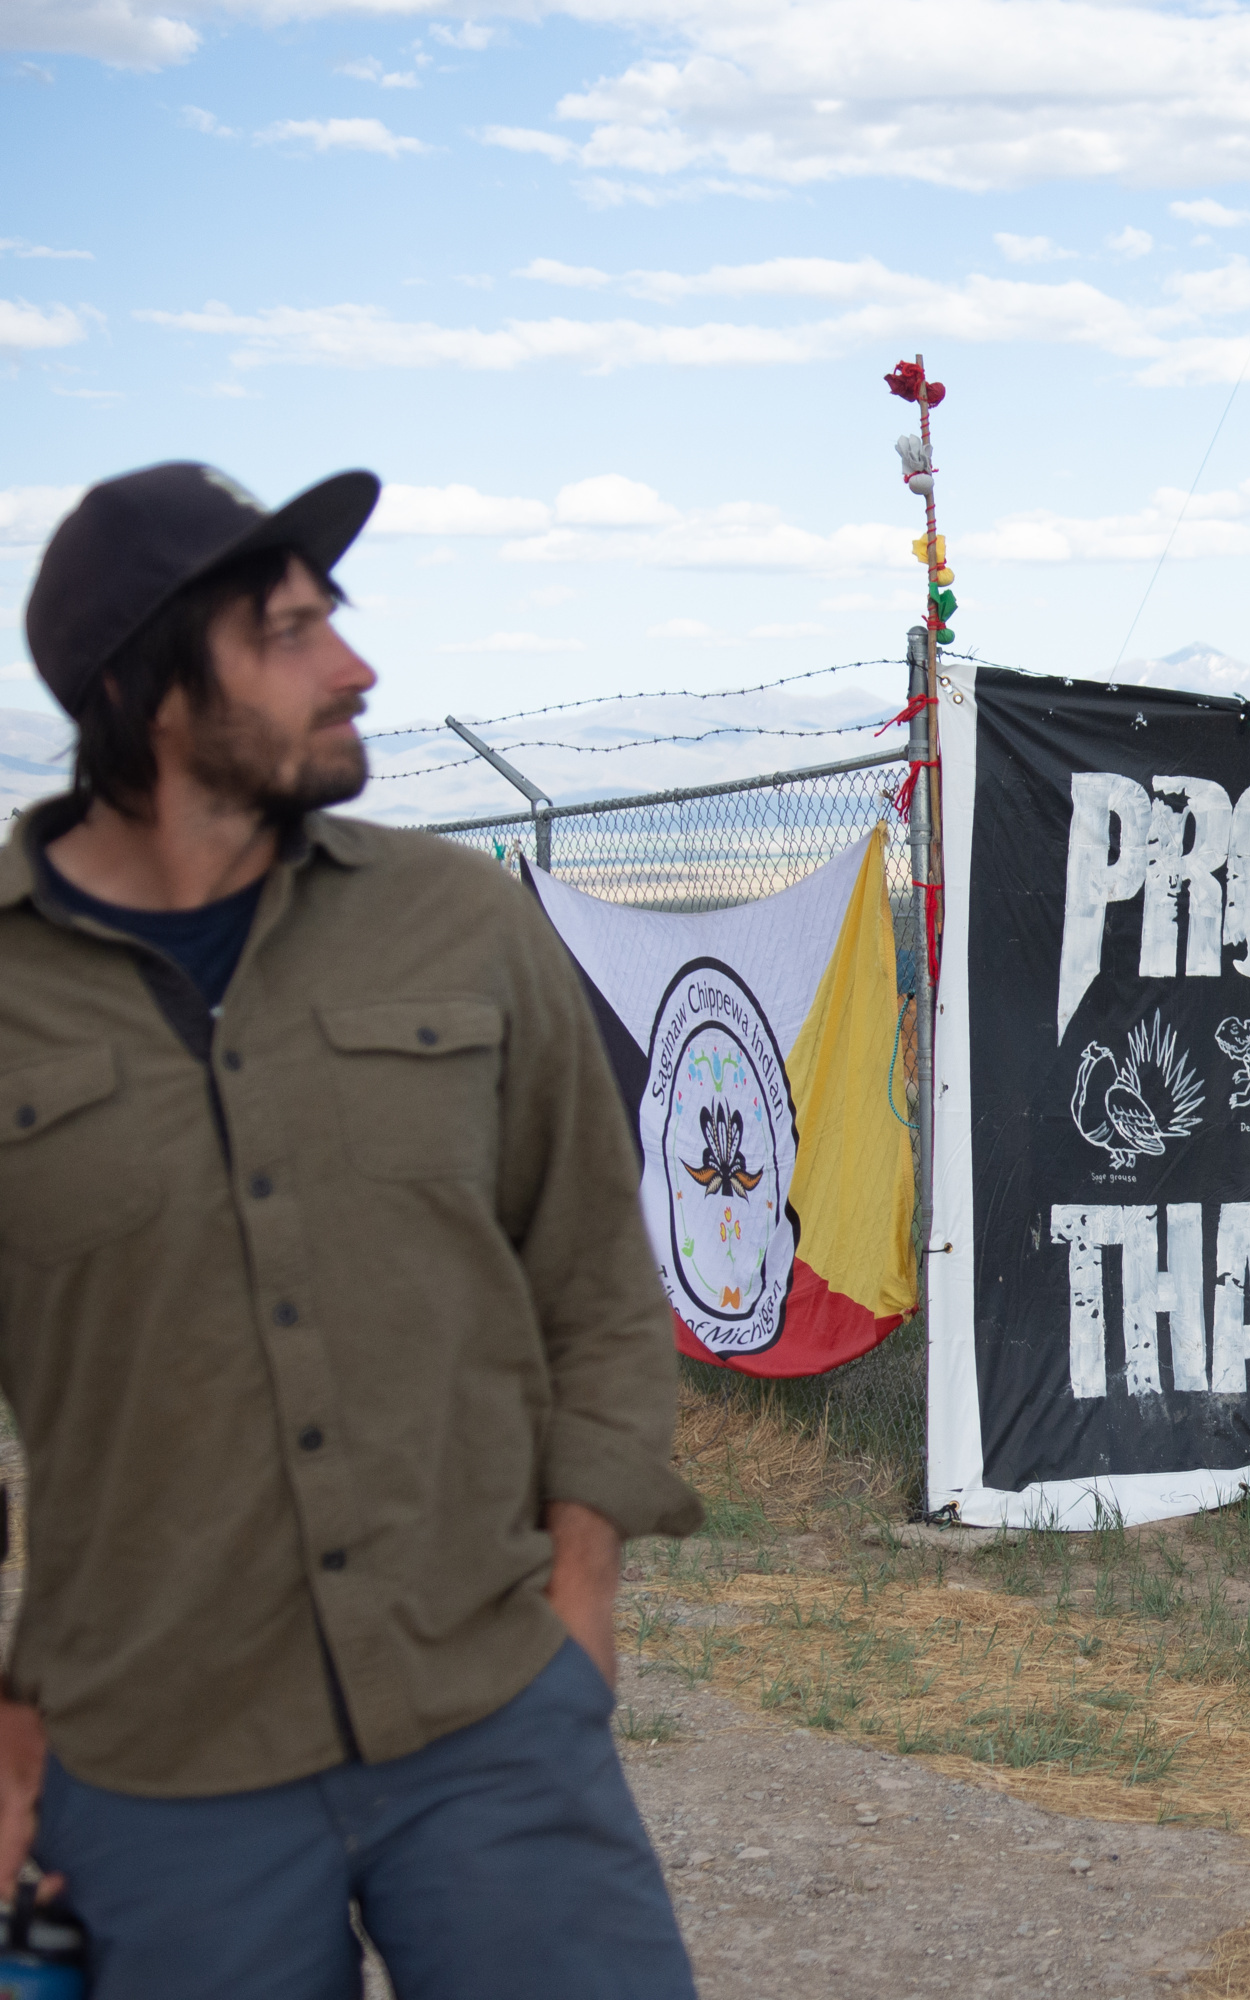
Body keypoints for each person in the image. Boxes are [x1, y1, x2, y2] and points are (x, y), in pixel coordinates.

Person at [0, 463, 703, 1995]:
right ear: (146, 693)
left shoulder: (459, 921)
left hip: (493, 1722)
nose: (354, 668)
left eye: (335, 621)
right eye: (288, 634)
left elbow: (592, 1272)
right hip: (160, 1778)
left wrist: (580, 1594)